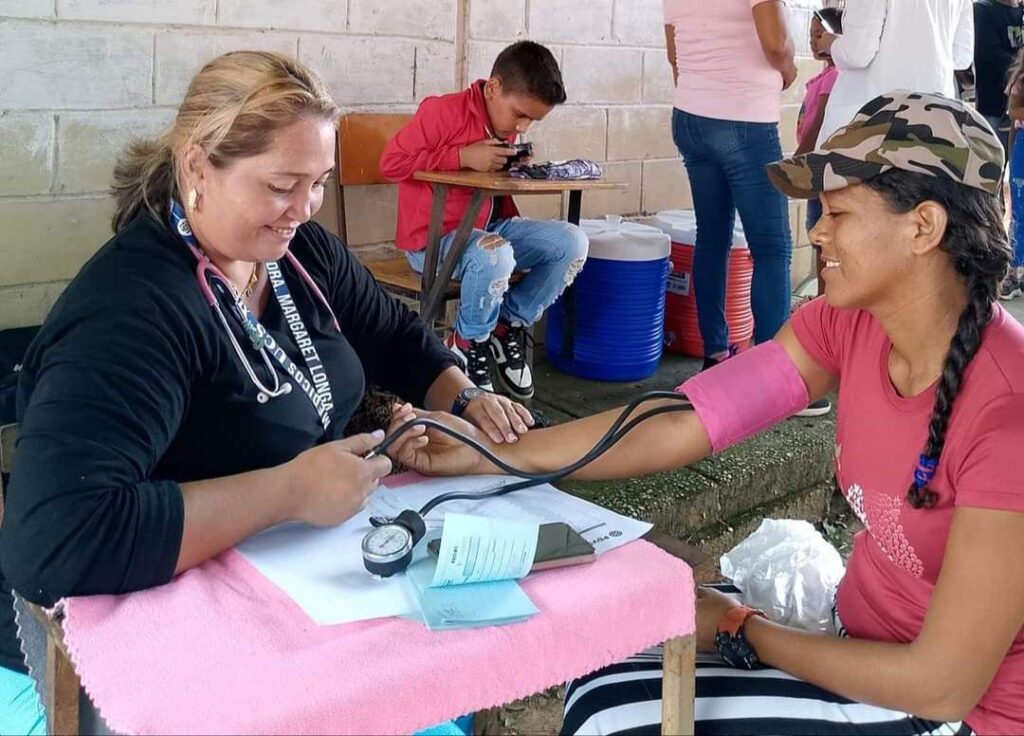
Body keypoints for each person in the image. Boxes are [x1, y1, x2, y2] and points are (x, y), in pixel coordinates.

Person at [386, 92, 1024, 735]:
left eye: (837, 212)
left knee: (613, 715)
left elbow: (941, 685)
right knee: (600, 659)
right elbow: (687, 417)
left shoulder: (1009, 419)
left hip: (963, 715)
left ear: (923, 227)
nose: (816, 233)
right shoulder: (848, 324)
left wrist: (741, 628)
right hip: (859, 634)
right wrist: (492, 453)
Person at [0, 51, 543, 631]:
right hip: (156, 617)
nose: (303, 209)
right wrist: (285, 493)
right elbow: (55, 542)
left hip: (299, 579)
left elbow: (395, 336)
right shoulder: (131, 311)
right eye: (282, 185)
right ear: (197, 168)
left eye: (318, 184)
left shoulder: (300, 254)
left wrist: (464, 399)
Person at [380, 41, 588, 401]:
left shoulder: (504, 122)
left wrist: (512, 166)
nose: (521, 127)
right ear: (493, 88)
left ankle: (503, 325)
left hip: (490, 230)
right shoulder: (441, 111)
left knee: (572, 243)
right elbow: (391, 163)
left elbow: (485, 185)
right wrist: (461, 156)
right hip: (434, 241)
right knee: (495, 255)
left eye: (531, 122)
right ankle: (465, 344)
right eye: (520, 114)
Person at [661, 1, 827, 414]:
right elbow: (775, 43)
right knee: (772, 247)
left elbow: (674, 53)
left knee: (712, 238)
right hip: (743, 119)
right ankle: (776, 382)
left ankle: (715, 355)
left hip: (690, 117)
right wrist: (787, 69)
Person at [817, 0, 974, 147]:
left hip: (873, 118)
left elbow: (857, 54)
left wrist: (830, 42)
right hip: (933, 116)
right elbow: (962, 57)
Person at [797, 7, 844, 296]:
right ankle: (821, 299)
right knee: (817, 236)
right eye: (811, 36)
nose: (814, 42)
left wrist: (800, 159)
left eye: (819, 35)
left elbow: (819, 121)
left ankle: (826, 300)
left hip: (819, 168)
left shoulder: (836, 75)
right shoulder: (823, 76)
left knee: (822, 238)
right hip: (815, 167)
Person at [974, 0, 1024, 156]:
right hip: (993, 100)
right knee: (987, 157)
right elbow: (989, 55)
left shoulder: (1021, 11)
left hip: (1019, 101)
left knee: (1014, 155)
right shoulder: (983, 9)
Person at [1003, 49, 1024, 298]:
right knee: (1019, 211)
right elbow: (1013, 112)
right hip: (1022, 149)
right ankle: (1013, 273)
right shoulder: (1021, 79)